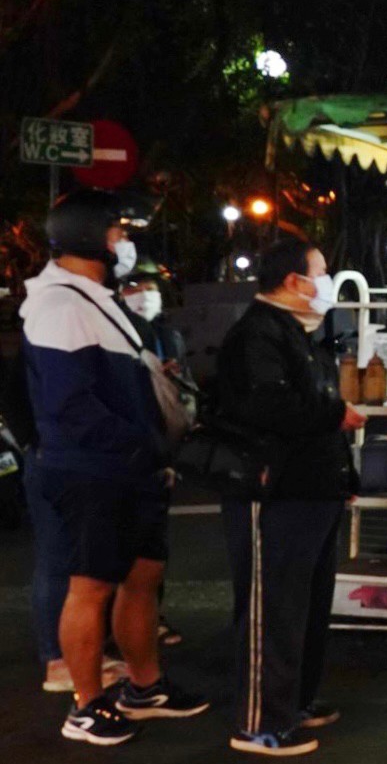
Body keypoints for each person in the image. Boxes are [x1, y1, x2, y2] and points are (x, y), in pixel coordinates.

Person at [21, 188, 208, 746]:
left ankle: (144, 687)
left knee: (142, 577)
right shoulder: (57, 304)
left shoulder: (93, 297)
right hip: (92, 470)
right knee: (91, 586)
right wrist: (140, 445)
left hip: (130, 467)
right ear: (88, 236)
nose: (124, 242)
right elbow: (70, 405)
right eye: (117, 232)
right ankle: (85, 705)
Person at [213, 237, 366, 757]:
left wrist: (341, 479)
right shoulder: (256, 335)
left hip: (310, 491)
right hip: (272, 493)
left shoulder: (299, 333)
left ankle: (293, 703)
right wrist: (335, 415)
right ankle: (260, 722)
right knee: (270, 608)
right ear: (294, 281)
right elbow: (272, 408)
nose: (327, 281)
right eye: (321, 271)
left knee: (303, 606)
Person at [119, 257, 190, 647]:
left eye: (151, 288)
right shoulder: (116, 333)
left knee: (154, 548)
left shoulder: (169, 335)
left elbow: (185, 390)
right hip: (128, 453)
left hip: (164, 450)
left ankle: (151, 618)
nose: (145, 296)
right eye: (134, 288)